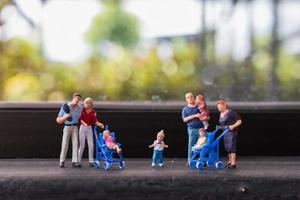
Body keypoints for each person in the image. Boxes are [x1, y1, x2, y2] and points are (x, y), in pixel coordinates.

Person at [56, 92, 83, 168]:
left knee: (76, 144)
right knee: (64, 144)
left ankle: (75, 161)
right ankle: (62, 161)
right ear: (73, 98)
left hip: (75, 127)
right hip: (67, 126)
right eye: (76, 98)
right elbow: (58, 119)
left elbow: (83, 115)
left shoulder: (80, 108)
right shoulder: (65, 106)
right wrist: (66, 117)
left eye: (79, 99)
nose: (77, 100)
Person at [78, 97, 104, 167]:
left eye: (89, 103)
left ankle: (91, 161)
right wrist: (84, 124)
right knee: (82, 145)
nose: (87, 104)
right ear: (84, 103)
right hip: (83, 128)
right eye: (86, 102)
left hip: (89, 128)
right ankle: (78, 161)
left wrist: (100, 124)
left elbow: (95, 121)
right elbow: (80, 119)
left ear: (91, 104)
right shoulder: (82, 110)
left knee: (91, 145)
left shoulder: (93, 112)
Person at [217, 100, 242, 169]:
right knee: (227, 147)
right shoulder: (221, 114)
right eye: (218, 107)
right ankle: (230, 162)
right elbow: (223, 124)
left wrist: (233, 126)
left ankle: (233, 163)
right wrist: (220, 127)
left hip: (231, 132)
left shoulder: (230, 112)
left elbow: (239, 120)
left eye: (220, 106)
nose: (219, 108)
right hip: (224, 133)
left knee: (231, 147)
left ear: (224, 105)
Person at [182, 92, 204, 166]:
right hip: (192, 129)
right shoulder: (185, 109)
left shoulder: (199, 106)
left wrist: (203, 116)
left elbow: (204, 114)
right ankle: (190, 160)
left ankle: (202, 160)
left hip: (201, 129)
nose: (190, 98)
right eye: (188, 97)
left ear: (194, 97)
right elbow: (184, 120)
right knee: (191, 145)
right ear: (186, 100)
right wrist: (194, 116)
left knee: (202, 144)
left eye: (191, 97)